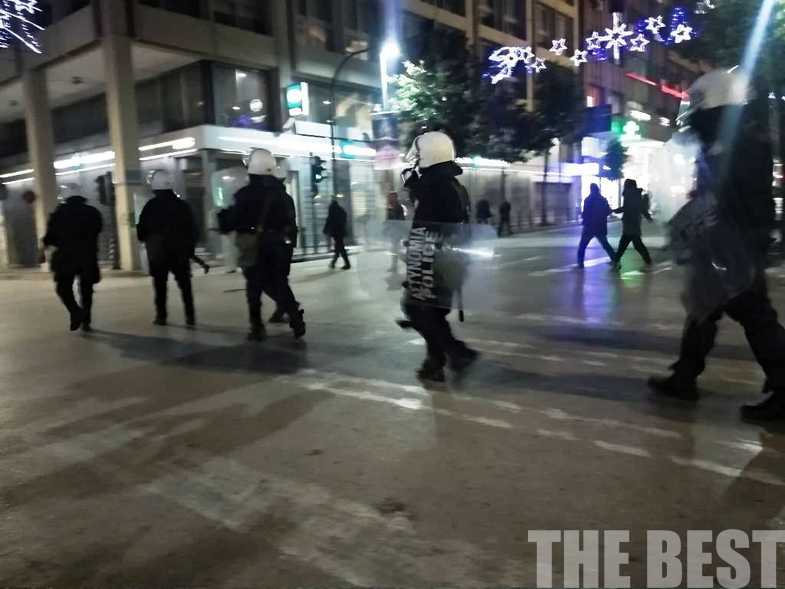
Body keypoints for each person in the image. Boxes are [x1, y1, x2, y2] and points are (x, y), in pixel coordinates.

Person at [648, 69, 785, 421]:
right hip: (727, 241)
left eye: (699, 110)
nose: (694, 119)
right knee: (703, 309)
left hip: (734, 244)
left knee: (752, 313)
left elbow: (734, 199)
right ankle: (684, 377)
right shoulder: (731, 140)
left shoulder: (737, 144)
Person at [400, 131, 478, 382]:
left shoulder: (436, 188)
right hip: (447, 262)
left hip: (435, 262)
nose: (415, 160)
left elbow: (429, 227)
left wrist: (415, 252)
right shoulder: (452, 185)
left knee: (418, 309)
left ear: (430, 155)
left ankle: (453, 353)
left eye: (418, 155)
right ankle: (440, 360)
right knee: (430, 313)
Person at [217, 149, 305, 341]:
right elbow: (291, 225)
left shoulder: (245, 195)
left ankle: (257, 327)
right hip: (280, 245)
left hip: (256, 246)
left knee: (254, 287)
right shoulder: (284, 196)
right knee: (280, 283)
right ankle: (295, 317)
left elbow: (232, 221)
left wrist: (223, 218)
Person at [137, 170, 198, 327]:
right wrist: (190, 248)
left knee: (160, 285)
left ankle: (161, 316)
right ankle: (190, 316)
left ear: (155, 187)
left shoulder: (151, 206)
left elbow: (141, 230)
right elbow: (192, 229)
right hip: (180, 252)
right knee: (185, 285)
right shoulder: (182, 205)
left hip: (159, 253)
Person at [43, 184, 103, 332]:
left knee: (63, 288)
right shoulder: (93, 212)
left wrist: (44, 248)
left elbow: (50, 237)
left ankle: (75, 311)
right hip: (88, 256)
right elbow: (98, 229)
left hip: (66, 257)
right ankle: (86, 321)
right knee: (86, 289)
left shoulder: (58, 213)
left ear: (65, 197)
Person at [612, 179, 653, 270]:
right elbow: (641, 208)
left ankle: (616, 261)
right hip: (634, 223)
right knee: (634, 244)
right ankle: (648, 261)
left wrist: (615, 210)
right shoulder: (636, 195)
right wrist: (648, 217)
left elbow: (626, 208)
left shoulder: (629, 195)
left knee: (626, 244)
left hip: (630, 223)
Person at [577, 183, 615, 268]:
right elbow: (608, 211)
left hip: (589, 226)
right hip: (600, 226)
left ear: (591, 190)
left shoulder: (588, 199)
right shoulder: (603, 199)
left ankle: (580, 262)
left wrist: (584, 220)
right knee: (605, 244)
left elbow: (586, 213)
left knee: (583, 245)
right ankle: (614, 258)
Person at [324, 198, 351, 270]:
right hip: (341, 231)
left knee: (340, 247)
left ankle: (346, 264)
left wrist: (325, 229)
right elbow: (345, 220)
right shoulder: (342, 210)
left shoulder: (332, 209)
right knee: (339, 247)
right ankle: (334, 262)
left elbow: (329, 219)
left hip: (336, 231)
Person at [385, 191, 406, 272]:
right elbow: (388, 219)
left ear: (395, 198)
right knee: (394, 249)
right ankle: (394, 265)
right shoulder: (390, 207)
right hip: (393, 231)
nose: (390, 198)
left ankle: (395, 266)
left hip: (397, 231)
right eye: (389, 197)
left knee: (395, 249)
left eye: (391, 197)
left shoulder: (398, 207)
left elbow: (401, 220)